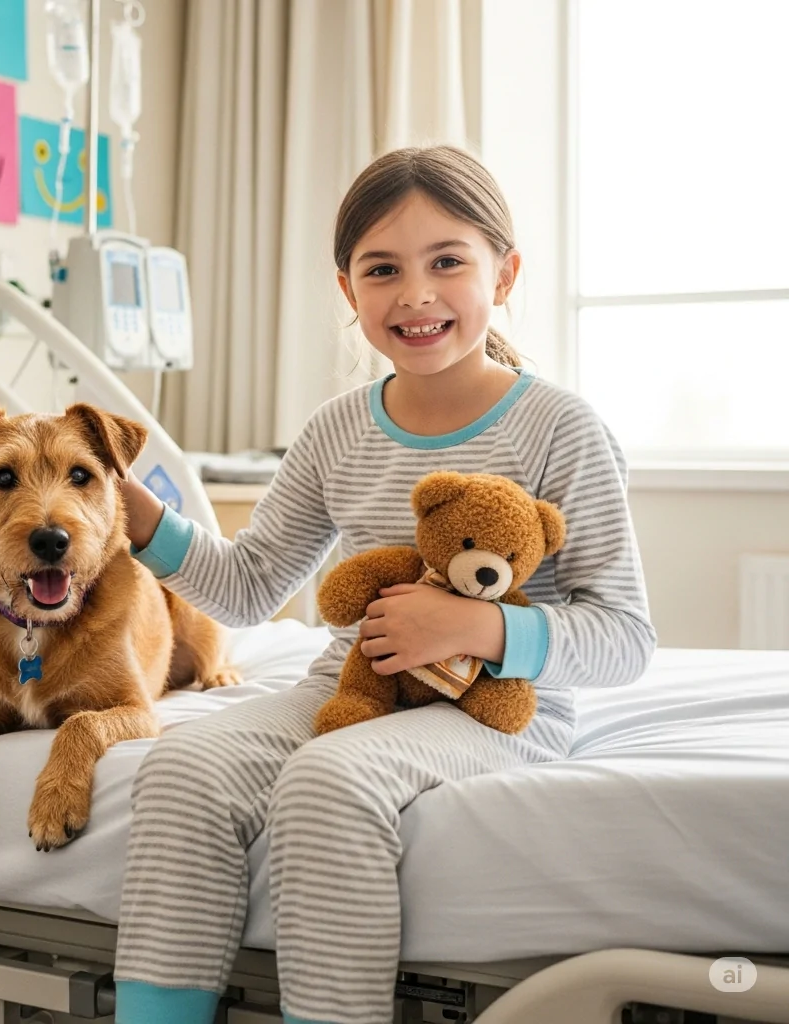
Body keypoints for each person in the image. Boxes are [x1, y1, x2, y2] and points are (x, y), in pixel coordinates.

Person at [112, 144, 656, 1024]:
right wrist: (139, 518)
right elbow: (250, 587)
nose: (415, 294)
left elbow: (625, 636)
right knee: (182, 767)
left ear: (504, 273)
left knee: (328, 782)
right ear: (347, 291)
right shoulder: (336, 432)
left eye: (448, 261)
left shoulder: (561, 427)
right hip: (351, 687)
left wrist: (476, 630)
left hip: (501, 708)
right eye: (382, 269)